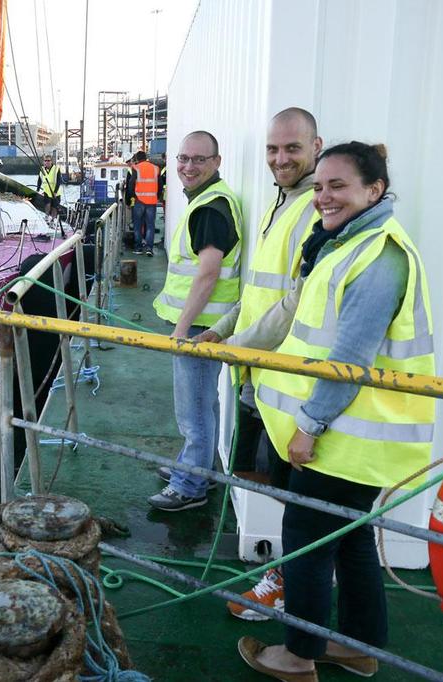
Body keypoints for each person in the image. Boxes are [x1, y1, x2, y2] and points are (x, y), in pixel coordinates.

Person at [237, 142, 435, 680]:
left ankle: (298, 656)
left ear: (374, 190)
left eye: (338, 186)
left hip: (342, 438)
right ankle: (358, 646)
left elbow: (350, 357)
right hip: (354, 439)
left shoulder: (380, 256)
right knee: (348, 541)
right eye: (320, 186)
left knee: (307, 541)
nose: (324, 196)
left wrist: (309, 425)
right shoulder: (349, 243)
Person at [190, 107, 322, 620]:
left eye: (292, 148)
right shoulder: (281, 203)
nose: (281, 158)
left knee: (295, 492)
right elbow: (259, 291)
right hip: (262, 376)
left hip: (290, 382)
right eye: (273, 149)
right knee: (274, 481)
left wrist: (235, 344)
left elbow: (295, 300)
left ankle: (287, 587)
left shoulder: (314, 207)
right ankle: (287, 582)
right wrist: (221, 332)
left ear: (316, 146)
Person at [149, 131, 243, 511]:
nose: (188, 167)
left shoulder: (210, 208)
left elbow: (208, 273)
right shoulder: (210, 200)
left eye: (199, 160)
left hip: (201, 329)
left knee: (194, 410)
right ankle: (197, 468)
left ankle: (191, 486)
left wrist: (181, 329)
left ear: (217, 162)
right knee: (206, 404)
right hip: (207, 326)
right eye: (184, 158)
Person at [130, 150, 160, 255]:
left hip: (139, 201)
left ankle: (138, 248)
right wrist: (158, 196)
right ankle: (149, 248)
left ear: (137, 159)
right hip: (152, 201)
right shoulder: (155, 168)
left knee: (138, 225)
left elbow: (131, 184)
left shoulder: (136, 168)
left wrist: (131, 197)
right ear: (146, 157)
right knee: (150, 225)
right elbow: (160, 184)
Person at [36, 154, 61, 224]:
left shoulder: (56, 169)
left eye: (48, 161)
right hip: (46, 191)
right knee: (47, 204)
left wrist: (55, 192)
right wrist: (37, 190)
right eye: (45, 161)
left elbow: (59, 181)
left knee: (54, 207)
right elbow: (39, 180)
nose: (47, 162)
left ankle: (53, 220)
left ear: (51, 161)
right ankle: (46, 217)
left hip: (56, 192)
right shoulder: (42, 169)